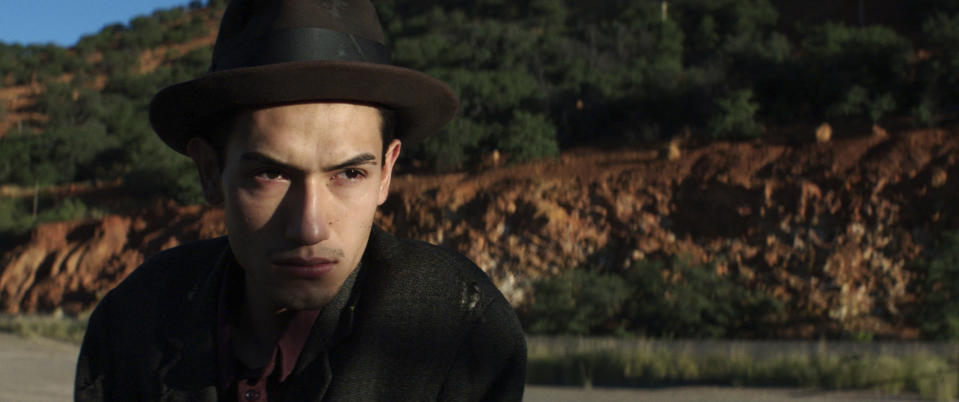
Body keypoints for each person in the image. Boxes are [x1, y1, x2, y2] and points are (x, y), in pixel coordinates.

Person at [74, 0, 527, 400]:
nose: (309, 227)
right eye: (270, 173)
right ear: (210, 172)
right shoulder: (133, 323)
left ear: (387, 172)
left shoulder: (459, 329)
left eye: (350, 173)